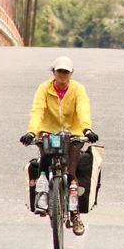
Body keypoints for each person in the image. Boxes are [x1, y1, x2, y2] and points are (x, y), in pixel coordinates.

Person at [20, 55, 99, 235]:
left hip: (73, 134)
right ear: (53, 72)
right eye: (59, 71)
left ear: (71, 74)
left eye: (66, 72)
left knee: (71, 171)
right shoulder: (44, 88)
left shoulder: (78, 89)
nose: (62, 75)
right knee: (44, 163)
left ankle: (75, 214)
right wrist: (32, 132)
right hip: (48, 132)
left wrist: (87, 130)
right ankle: (42, 196)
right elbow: (37, 110)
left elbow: (83, 109)